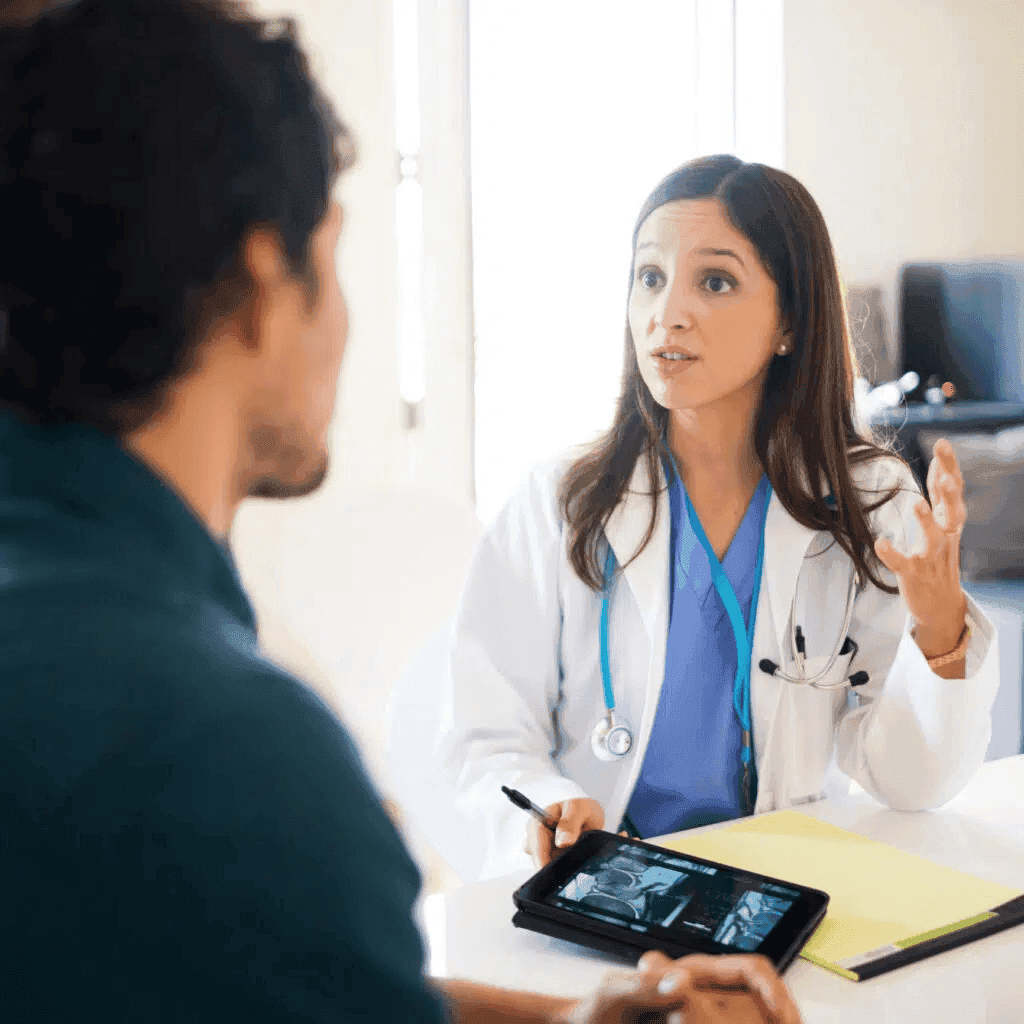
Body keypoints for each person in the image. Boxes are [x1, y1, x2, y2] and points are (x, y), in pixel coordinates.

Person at [0, 1, 805, 1021]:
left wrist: (572, 1016)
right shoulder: (235, 765)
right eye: (333, 256)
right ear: (260, 285)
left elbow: (282, 986)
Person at [438, 154, 1000, 882]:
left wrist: (942, 629)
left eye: (715, 281)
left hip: (782, 887)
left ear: (789, 323)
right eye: (650, 276)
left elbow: (912, 783)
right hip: (608, 890)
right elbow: (483, 739)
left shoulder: (870, 505)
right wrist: (547, 805)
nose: (668, 312)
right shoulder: (562, 503)